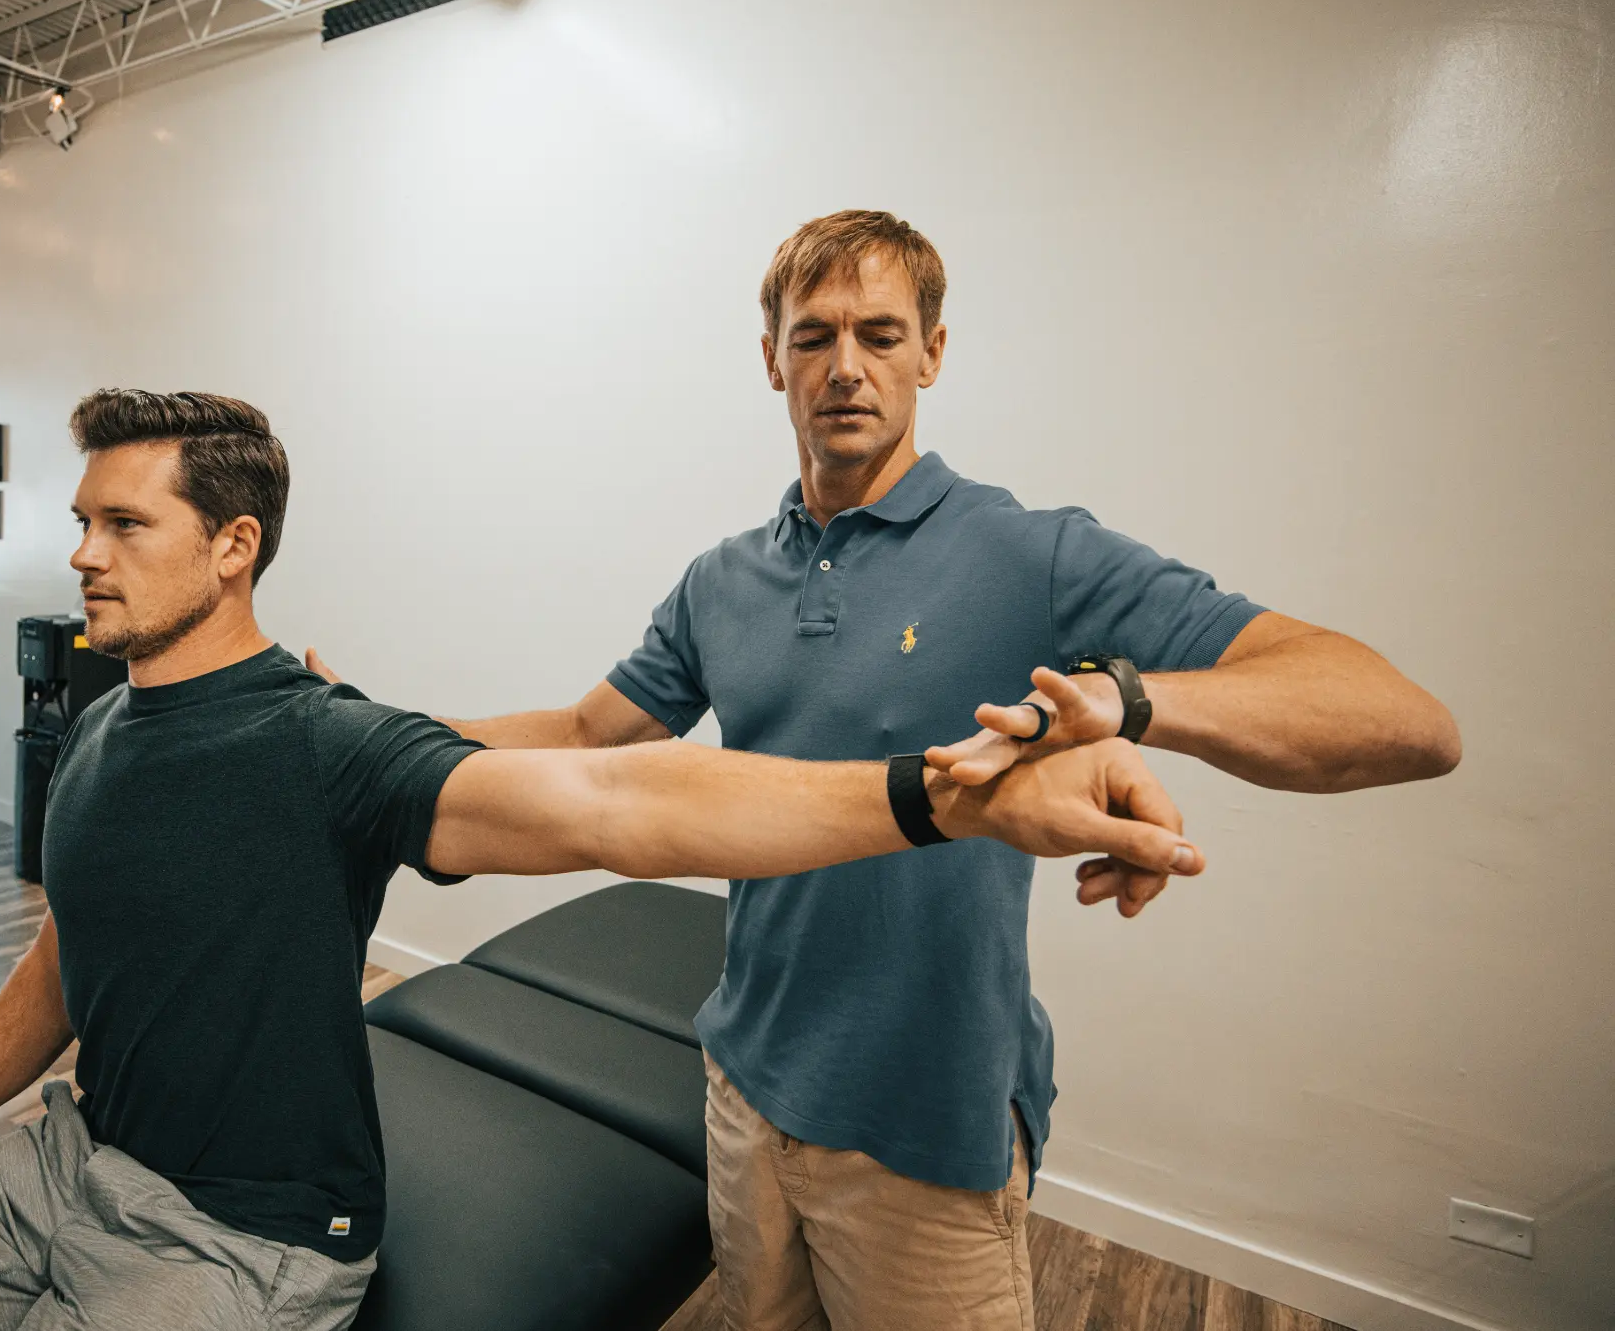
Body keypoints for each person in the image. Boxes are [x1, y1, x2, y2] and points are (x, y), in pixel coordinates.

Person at [0, 389, 1204, 1331]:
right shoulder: (101, 733)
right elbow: (67, 954)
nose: (82, 553)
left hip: (237, 1245)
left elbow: (615, 798)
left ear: (233, 546)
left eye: (122, 524)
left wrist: (944, 798)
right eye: (81, 521)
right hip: (60, 1162)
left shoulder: (325, 744)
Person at [311, 210, 1462, 1331]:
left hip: (926, 1131)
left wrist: (1129, 699)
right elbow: (581, 735)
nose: (846, 366)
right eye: (813, 336)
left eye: (880, 334)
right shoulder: (721, 582)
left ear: (932, 353)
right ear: (773, 362)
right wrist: (379, 731)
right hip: (742, 1087)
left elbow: (1401, 719)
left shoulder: (1030, 554)